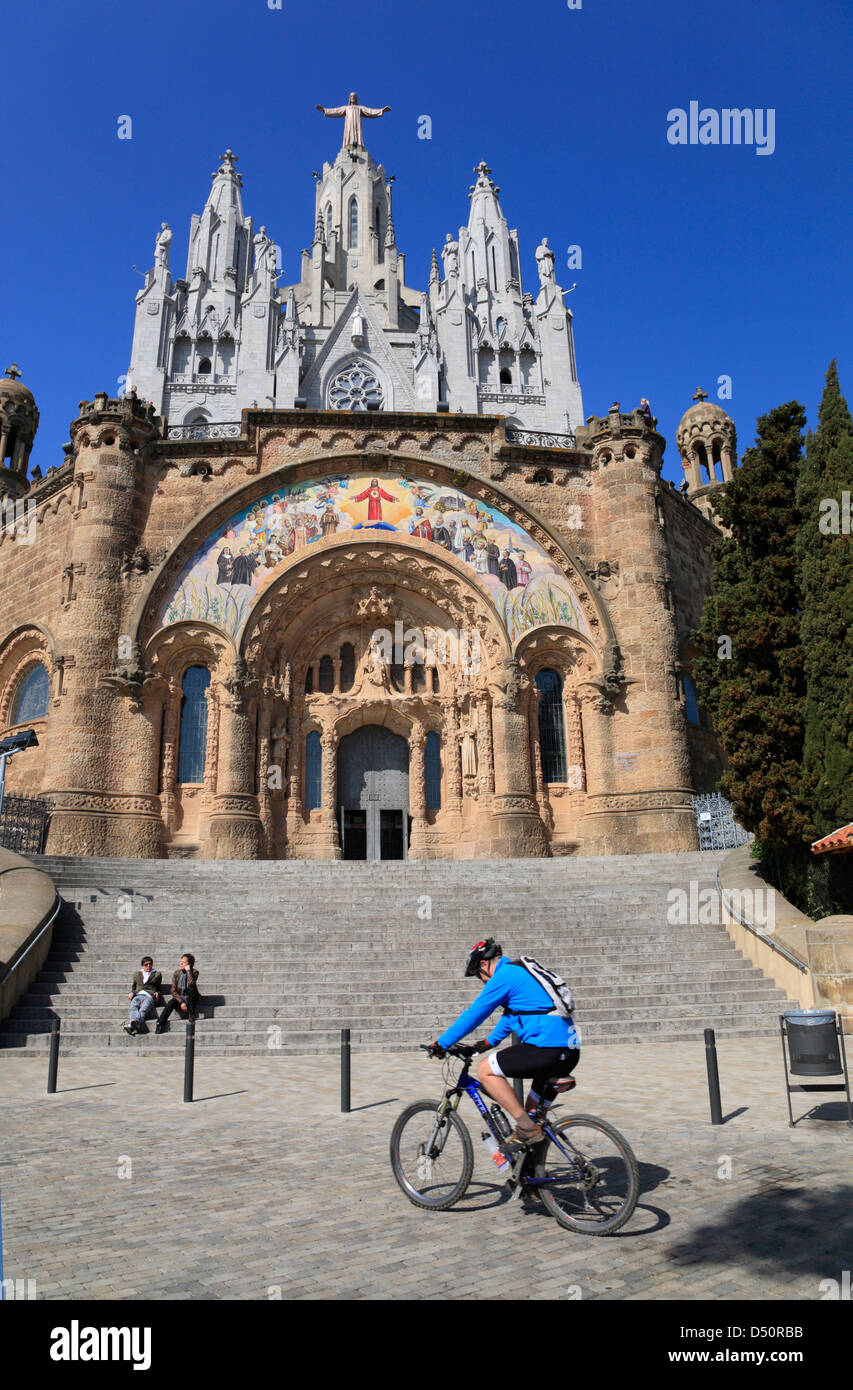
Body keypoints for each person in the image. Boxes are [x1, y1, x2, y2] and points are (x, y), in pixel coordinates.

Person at [428, 938, 579, 1144]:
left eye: (478, 976)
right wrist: (485, 1044)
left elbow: (475, 1014)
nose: (481, 981)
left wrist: (441, 1044)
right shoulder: (520, 972)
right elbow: (512, 1016)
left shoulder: (505, 975)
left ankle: (526, 1129)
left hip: (546, 1048)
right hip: (568, 1050)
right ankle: (532, 1170)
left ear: (483, 964)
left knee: (485, 1070)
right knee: (533, 1116)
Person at [155, 954, 201, 1033]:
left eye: (184, 962)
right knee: (170, 1003)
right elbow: (173, 990)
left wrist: (188, 971)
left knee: (191, 988)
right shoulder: (177, 973)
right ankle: (160, 1023)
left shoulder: (194, 972)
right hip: (180, 998)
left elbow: (191, 983)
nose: (181, 964)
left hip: (191, 999)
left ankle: (191, 1014)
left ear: (189, 964)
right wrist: (181, 1002)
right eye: (181, 962)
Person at [124, 956, 162, 1035]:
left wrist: (157, 993)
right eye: (146, 964)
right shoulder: (137, 974)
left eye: (150, 964)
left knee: (143, 1009)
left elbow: (158, 987)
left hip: (149, 996)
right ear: (142, 966)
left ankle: (132, 1024)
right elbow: (134, 987)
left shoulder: (157, 974)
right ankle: (134, 1023)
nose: (148, 966)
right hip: (138, 995)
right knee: (133, 1007)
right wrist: (132, 992)